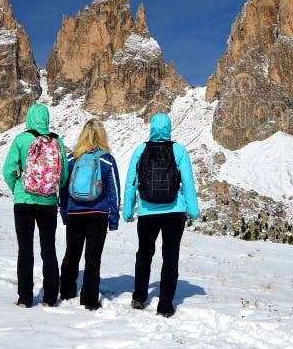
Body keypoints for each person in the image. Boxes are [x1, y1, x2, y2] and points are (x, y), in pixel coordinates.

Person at [123, 113, 199, 317]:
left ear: (151, 128)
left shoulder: (141, 149)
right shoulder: (179, 150)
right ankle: (165, 305)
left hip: (147, 211)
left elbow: (131, 182)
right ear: (169, 128)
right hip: (174, 211)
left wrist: (129, 210)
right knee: (170, 256)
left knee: (144, 254)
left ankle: (139, 297)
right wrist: (192, 210)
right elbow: (188, 183)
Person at [2, 103, 69, 308]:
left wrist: (19, 190)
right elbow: (64, 175)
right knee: (48, 248)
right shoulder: (57, 142)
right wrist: (50, 189)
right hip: (48, 202)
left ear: (30, 117)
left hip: (24, 200)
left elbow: (8, 170)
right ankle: (50, 297)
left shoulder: (21, 139)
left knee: (25, 248)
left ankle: (25, 298)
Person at [59, 119, 121, 310]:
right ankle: (89, 299)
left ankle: (67, 292)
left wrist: (65, 213)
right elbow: (114, 191)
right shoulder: (106, 159)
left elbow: (62, 189)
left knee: (72, 253)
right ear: (101, 135)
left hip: (75, 212)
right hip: (98, 213)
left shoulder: (71, 159)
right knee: (93, 257)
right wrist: (113, 220)